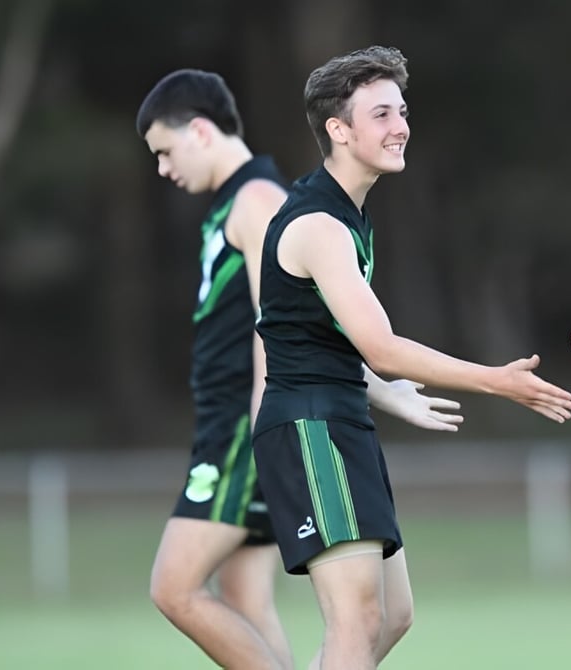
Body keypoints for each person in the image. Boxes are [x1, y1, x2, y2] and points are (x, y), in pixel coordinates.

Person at [252, 45, 571, 670]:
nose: (400, 126)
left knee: (392, 615)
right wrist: (496, 382)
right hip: (310, 427)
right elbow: (381, 347)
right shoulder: (318, 224)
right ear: (338, 130)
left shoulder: (348, 214)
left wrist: (382, 391)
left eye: (401, 111)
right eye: (380, 114)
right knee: (357, 620)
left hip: (343, 418)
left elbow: (309, 332)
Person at [136, 68, 465, 670]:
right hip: (261, 424)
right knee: (245, 595)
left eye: (165, 150)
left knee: (175, 587)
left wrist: (277, 428)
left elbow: (285, 323)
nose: (162, 168)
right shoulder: (239, 203)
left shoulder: (259, 200)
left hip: (252, 425)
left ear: (201, 132)